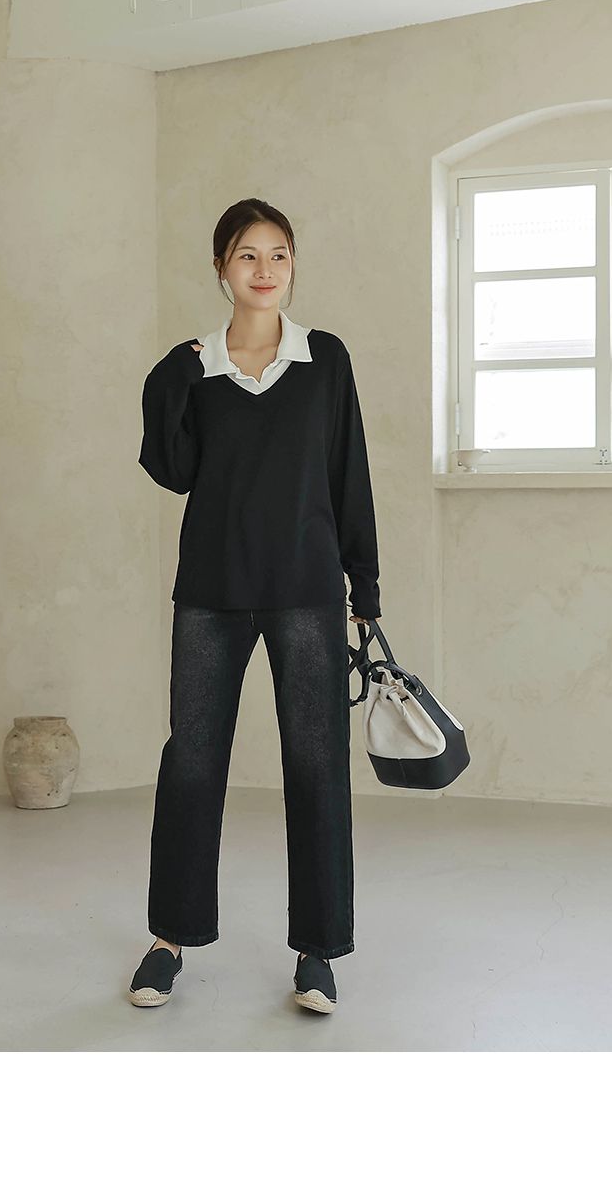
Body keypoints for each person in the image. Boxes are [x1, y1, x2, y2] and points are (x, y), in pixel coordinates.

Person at [128, 198, 381, 1015]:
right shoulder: (196, 367)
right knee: (192, 763)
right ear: (221, 269)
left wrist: (364, 586)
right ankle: (168, 939)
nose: (264, 270)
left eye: (278, 254)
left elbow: (348, 472)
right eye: (247, 255)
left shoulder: (324, 359)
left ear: (292, 264)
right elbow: (171, 470)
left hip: (306, 592)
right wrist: (171, 377)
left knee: (315, 766)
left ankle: (318, 952)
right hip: (211, 590)